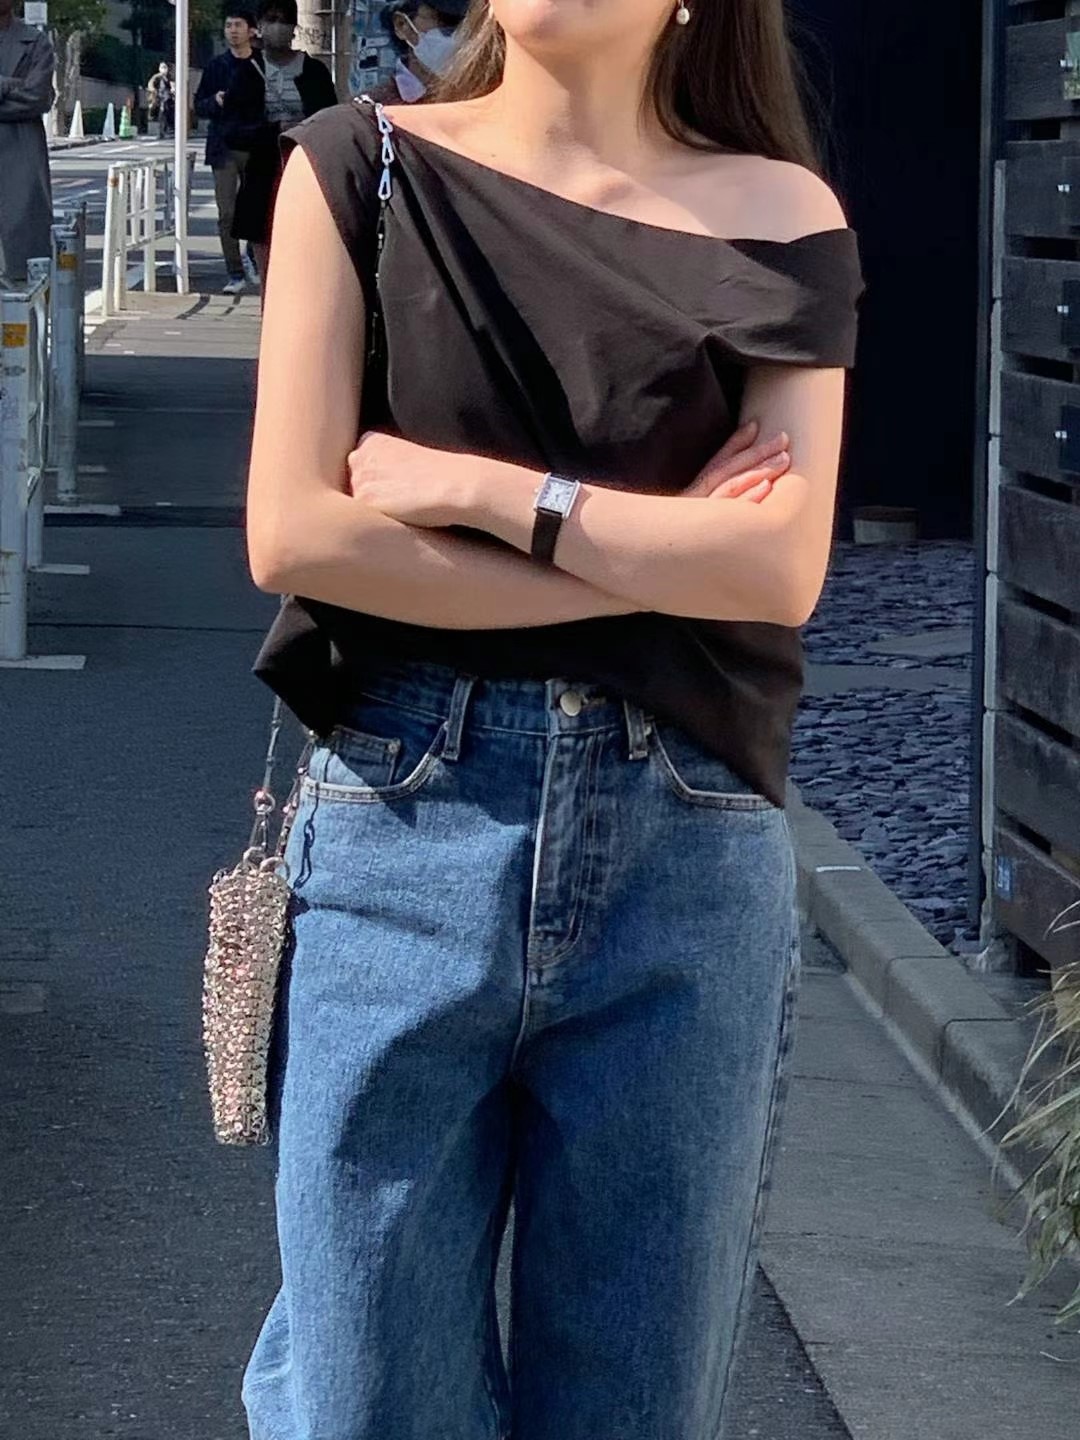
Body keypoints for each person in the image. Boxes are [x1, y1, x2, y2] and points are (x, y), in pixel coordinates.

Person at [242, 1, 866, 1436]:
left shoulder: (781, 212)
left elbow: (776, 571)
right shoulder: (358, 167)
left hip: (686, 847)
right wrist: (652, 562)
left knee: (634, 1403)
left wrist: (486, 495)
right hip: (402, 818)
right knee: (361, 1398)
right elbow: (297, 534)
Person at [220, 0, 336, 290]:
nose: (278, 26)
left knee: (307, 259)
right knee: (268, 263)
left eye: (284, 20)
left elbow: (330, 121)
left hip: (308, 173)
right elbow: (232, 131)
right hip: (262, 176)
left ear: (294, 26)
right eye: (271, 19)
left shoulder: (315, 72)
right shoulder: (247, 73)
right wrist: (273, 131)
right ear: (259, 26)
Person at [194, 9, 262, 295]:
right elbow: (199, 106)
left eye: (238, 25)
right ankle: (235, 273)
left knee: (257, 210)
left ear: (252, 30)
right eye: (228, 25)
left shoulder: (263, 64)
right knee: (227, 214)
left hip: (257, 146)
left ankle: (254, 259)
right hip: (223, 147)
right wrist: (216, 101)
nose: (232, 30)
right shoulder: (216, 66)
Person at [0, 0, 54, 287]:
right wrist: (12, 85)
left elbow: (39, 97)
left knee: (22, 275)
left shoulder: (36, 42)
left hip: (21, 159)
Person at [368, 0, 470, 105]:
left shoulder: (476, 101)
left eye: (473, 24)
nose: (462, 35)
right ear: (401, 25)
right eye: (448, 22)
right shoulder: (373, 110)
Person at [147, 61, 174, 139]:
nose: (164, 69)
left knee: (165, 115)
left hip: (167, 99)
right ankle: (160, 132)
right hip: (158, 98)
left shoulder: (169, 77)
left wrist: (173, 89)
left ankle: (164, 131)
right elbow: (150, 84)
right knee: (160, 115)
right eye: (162, 67)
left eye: (165, 67)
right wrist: (154, 91)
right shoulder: (156, 77)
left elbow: (172, 85)